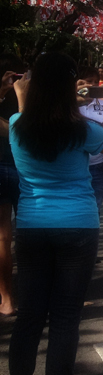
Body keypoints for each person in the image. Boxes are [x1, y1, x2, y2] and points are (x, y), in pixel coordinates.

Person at [7, 53, 103, 375]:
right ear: (69, 88)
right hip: (77, 226)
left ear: (32, 86)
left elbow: (31, 119)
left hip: (30, 227)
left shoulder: (16, 124)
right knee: (64, 316)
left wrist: (20, 95)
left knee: (29, 316)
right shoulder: (82, 129)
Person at [0, 55, 25, 316]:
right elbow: (21, 131)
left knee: (16, 235)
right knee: (6, 236)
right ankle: (8, 298)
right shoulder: (22, 99)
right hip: (13, 166)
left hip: (20, 167)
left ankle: (8, 299)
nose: (14, 81)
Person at [76, 67, 103, 216]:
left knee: (94, 210)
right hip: (74, 167)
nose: (91, 85)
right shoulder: (65, 105)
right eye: (87, 82)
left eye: (95, 82)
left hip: (97, 167)